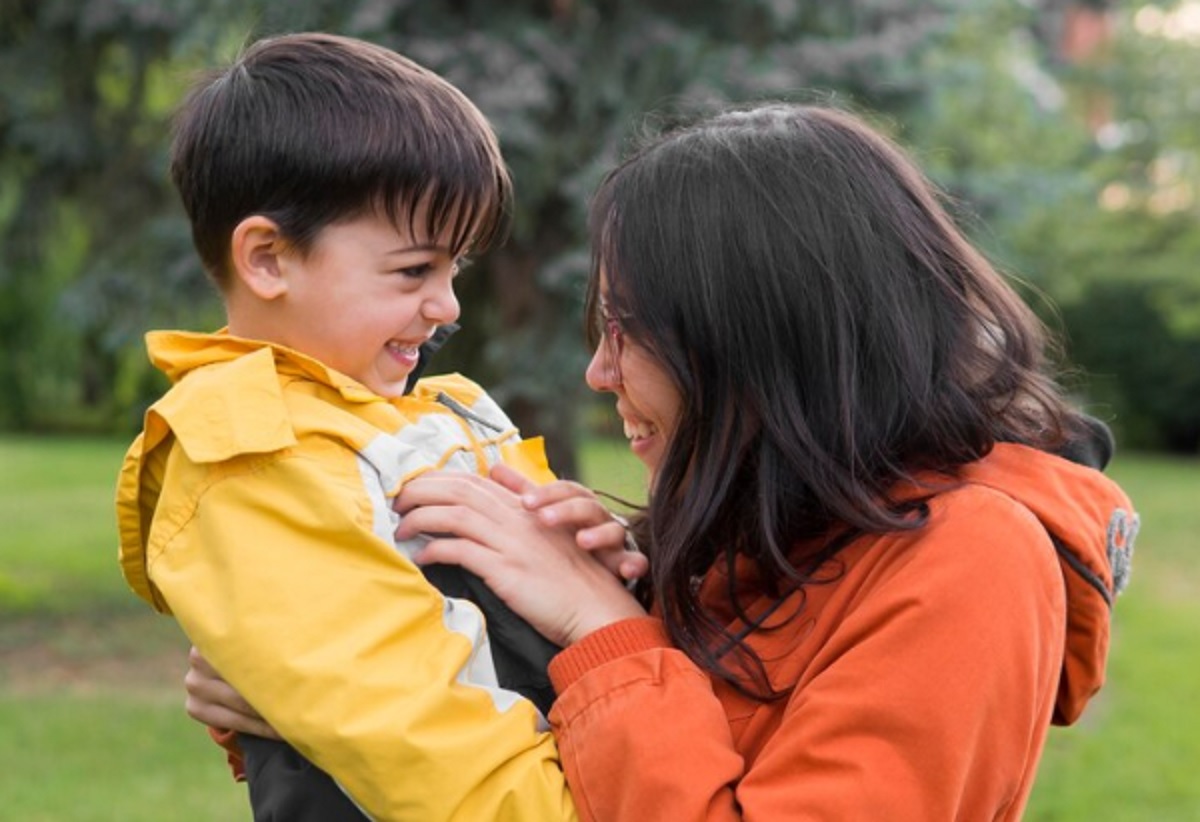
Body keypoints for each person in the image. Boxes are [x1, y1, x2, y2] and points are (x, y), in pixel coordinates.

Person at [187, 102, 1139, 820]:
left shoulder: (972, 559)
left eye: (626, 332)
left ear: (757, 340)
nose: (599, 374)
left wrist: (604, 628)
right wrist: (319, 685)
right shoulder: (777, 520)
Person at [116, 32, 640, 821]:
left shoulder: (434, 411)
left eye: (454, 270)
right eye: (412, 272)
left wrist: (613, 559)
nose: (448, 306)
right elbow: (416, 742)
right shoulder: (252, 454)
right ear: (267, 259)